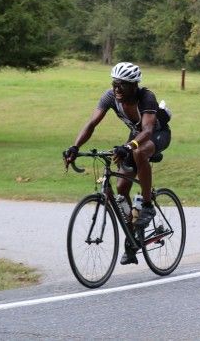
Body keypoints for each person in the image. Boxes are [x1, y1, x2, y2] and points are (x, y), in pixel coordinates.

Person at [63, 62, 171, 265]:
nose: (117, 88)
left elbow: (147, 131)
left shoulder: (146, 97)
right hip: (136, 136)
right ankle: (132, 243)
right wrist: (75, 147)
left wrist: (128, 147)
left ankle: (147, 205)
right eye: (114, 83)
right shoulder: (110, 97)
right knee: (122, 190)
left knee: (138, 152)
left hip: (157, 134)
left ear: (134, 85)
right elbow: (91, 124)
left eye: (122, 84)